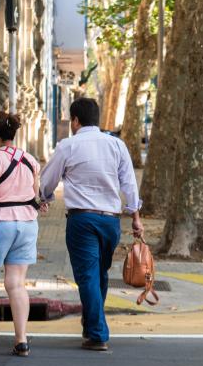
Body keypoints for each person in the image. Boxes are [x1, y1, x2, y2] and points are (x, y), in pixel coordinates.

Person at [40, 98, 143, 351]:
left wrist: (43, 198)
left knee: (87, 276)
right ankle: (90, 324)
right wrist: (136, 217)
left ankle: (97, 332)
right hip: (110, 221)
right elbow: (129, 184)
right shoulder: (117, 145)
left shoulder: (68, 146)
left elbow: (47, 181)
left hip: (82, 220)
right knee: (99, 273)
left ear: (75, 121)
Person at [0, 112, 42, 357]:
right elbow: (34, 192)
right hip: (27, 224)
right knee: (16, 283)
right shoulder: (30, 159)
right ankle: (21, 339)